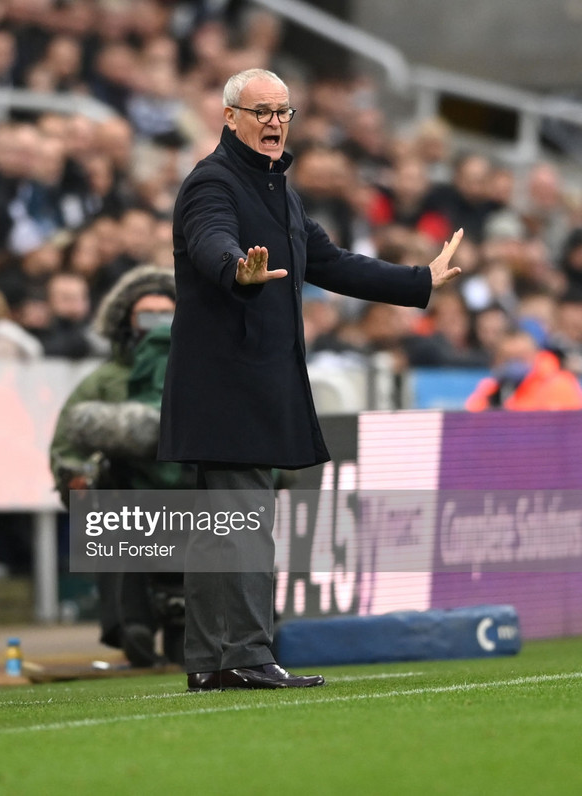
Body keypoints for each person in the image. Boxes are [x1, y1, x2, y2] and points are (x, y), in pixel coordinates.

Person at [158, 68, 464, 692]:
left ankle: (214, 661)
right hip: (227, 384)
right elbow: (210, 239)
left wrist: (419, 281)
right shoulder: (213, 181)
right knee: (241, 522)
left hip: (251, 383)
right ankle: (242, 653)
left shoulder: (280, 192)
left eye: (283, 111)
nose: (274, 122)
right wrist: (236, 270)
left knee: (228, 528)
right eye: (261, 110)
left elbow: (329, 262)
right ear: (229, 117)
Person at [50, 265, 193, 668]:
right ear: (126, 322)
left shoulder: (204, 373)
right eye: (147, 317)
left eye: (168, 316)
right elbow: (66, 447)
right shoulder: (103, 382)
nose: (158, 327)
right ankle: (133, 623)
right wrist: (74, 478)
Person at [465, 330, 582, 412]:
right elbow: (472, 424)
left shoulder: (560, 383)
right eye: (508, 358)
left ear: (535, 355)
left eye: (521, 357)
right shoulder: (491, 388)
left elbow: (568, 429)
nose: (515, 363)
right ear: (497, 361)